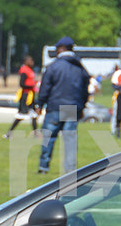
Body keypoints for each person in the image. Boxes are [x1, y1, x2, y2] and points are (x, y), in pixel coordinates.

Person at [37, 36, 90, 174]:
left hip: (55, 105)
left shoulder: (53, 66)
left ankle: (44, 166)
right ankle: (70, 168)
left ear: (61, 49)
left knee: (49, 136)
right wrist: (82, 106)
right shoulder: (80, 67)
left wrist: (40, 104)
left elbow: (45, 88)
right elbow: (85, 89)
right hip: (72, 106)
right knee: (69, 138)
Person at [5, 55, 39, 138]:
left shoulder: (30, 70)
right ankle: (9, 133)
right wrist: (32, 86)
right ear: (26, 61)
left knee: (34, 115)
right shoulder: (24, 70)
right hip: (26, 95)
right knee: (21, 115)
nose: (32, 62)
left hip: (31, 95)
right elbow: (22, 84)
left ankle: (35, 134)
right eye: (30, 60)